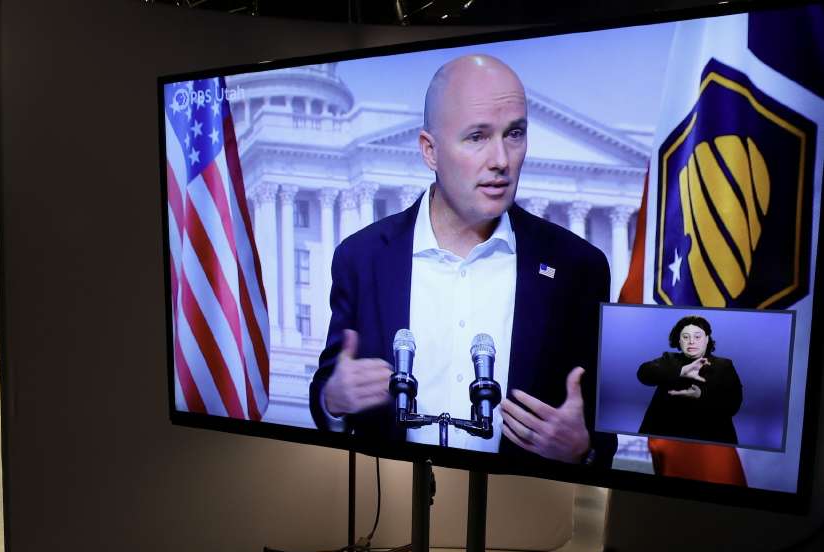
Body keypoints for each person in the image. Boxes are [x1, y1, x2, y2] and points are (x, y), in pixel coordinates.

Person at [308, 54, 616, 468]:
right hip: (390, 514)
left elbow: (598, 432)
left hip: (522, 520)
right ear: (430, 151)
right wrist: (334, 399)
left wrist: (583, 450)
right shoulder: (362, 258)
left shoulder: (578, 268)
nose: (502, 161)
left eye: (515, 134)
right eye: (476, 137)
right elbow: (329, 388)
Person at [637, 315, 743, 445]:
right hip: (665, 438)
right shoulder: (669, 359)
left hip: (710, 440)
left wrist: (701, 395)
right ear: (679, 341)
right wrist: (681, 371)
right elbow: (643, 373)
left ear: (707, 339)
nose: (691, 341)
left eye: (697, 337)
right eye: (685, 337)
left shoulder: (724, 365)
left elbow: (733, 405)